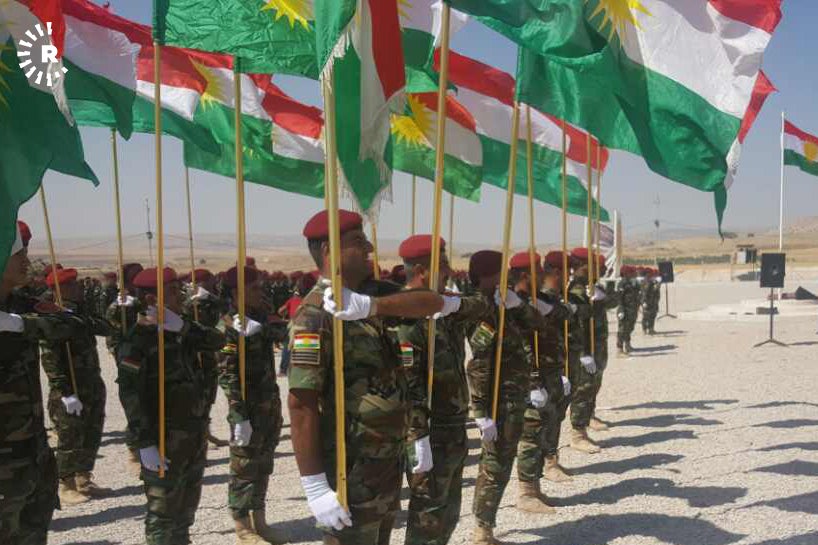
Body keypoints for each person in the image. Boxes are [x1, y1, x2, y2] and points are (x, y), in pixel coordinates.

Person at [287, 209, 460, 545]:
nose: (369, 247)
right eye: (357, 240)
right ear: (329, 250)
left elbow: (431, 301)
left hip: (384, 466)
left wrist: (373, 306)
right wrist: (315, 487)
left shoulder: (372, 295)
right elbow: (301, 405)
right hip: (349, 472)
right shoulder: (314, 316)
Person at [117, 267, 226, 545]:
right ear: (152, 299)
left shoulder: (181, 327)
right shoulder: (137, 340)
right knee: (163, 515)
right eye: (174, 292)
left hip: (192, 433)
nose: (181, 297)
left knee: (186, 509)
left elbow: (218, 340)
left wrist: (182, 327)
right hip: (163, 438)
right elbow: (130, 394)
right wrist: (144, 443)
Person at [397, 235, 490, 545]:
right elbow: (409, 385)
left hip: (453, 426)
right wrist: (417, 436)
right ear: (422, 270)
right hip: (430, 429)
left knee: (449, 512)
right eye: (443, 264)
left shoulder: (445, 306)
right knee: (428, 516)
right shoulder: (406, 317)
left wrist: (453, 303)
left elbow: (484, 306)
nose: (449, 270)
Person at [0, 222, 85, 544]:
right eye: (18, 253)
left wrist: (19, 324)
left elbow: (75, 325)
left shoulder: (22, 305)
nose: (26, 260)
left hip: (32, 455)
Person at [466, 250, 545, 545]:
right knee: (495, 464)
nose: (507, 277)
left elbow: (538, 323)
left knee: (502, 459)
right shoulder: (481, 308)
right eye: (502, 272)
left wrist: (516, 304)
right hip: (497, 399)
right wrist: (480, 411)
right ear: (490, 274)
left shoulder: (504, 303)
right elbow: (478, 362)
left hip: (513, 395)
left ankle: (485, 527)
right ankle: (482, 531)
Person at [219, 265, 288, 545]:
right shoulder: (228, 326)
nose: (261, 292)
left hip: (268, 406)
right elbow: (227, 375)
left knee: (263, 465)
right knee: (244, 468)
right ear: (237, 292)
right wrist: (239, 416)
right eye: (254, 288)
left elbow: (282, 333)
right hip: (247, 410)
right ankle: (242, 527)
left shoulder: (258, 318)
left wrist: (263, 326)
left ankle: (260, 520)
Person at [40, 266, 114, 505]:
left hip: (90, 381)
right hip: (69, 387)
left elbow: (106, 327)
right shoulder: (51, 316)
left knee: (92, 429)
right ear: (59, 290)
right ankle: (66, 484)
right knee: (70, 436)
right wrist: (65, 392)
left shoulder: (80, 312)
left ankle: (83, 477)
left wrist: (77, 317)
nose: (78, 288)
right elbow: (50, 359)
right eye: (71, 285)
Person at [182, 268, 230, 448]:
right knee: (197, 395)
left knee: (209, 392)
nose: (213, 285)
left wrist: (208, 297)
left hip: (209, 351)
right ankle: (199, 436)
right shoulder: (188, 301)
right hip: (195, 354)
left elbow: (224, 308)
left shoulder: (210, 300)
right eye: (209, 282)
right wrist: (191, 300)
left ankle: (206, 432)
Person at [568, 249, 608, 454]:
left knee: (592, 386)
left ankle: (586, 420)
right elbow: (578, 325)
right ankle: (577, 434)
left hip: (597, 344)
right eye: (591, 265)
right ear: (582, 266)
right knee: (582, 390)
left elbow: (611, 302)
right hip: (585, 348)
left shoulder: (591, 286)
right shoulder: (575, 290)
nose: (596, 269)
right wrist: (583, 352)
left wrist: (602, 298)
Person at [540, 252, 574, 482]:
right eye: (566, 272)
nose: (568, 277)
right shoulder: (542, 300)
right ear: (557, 272)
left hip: (557, 367)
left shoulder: (556, 298)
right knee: (541, 420)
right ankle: (543, 465)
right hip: (543, 370)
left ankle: (551, 459)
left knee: (555, 415)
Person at [616, 266, 641, 355]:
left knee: (630, 328)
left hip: (632, 309)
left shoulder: (632, 283)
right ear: (626, 273)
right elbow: (619, 298)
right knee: (622, 329)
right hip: (624, 310)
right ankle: (619, 349)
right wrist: (621, 310)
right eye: (631, 273)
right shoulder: (622, 284)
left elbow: (637, 294)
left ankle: (627, 345)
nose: (633, 274)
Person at [641, 268, 661, 335]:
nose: (652, 275)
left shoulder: (652, 281)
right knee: (646, 316)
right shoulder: (645, 282)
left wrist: (658, 285)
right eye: (650, 273)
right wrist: (644, 302)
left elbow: (655, 291)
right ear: (646, 274)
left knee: (652, 315)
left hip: (653, 301)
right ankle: (644, 329)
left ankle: (651, 328)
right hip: (647, 301)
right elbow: (644, 293)